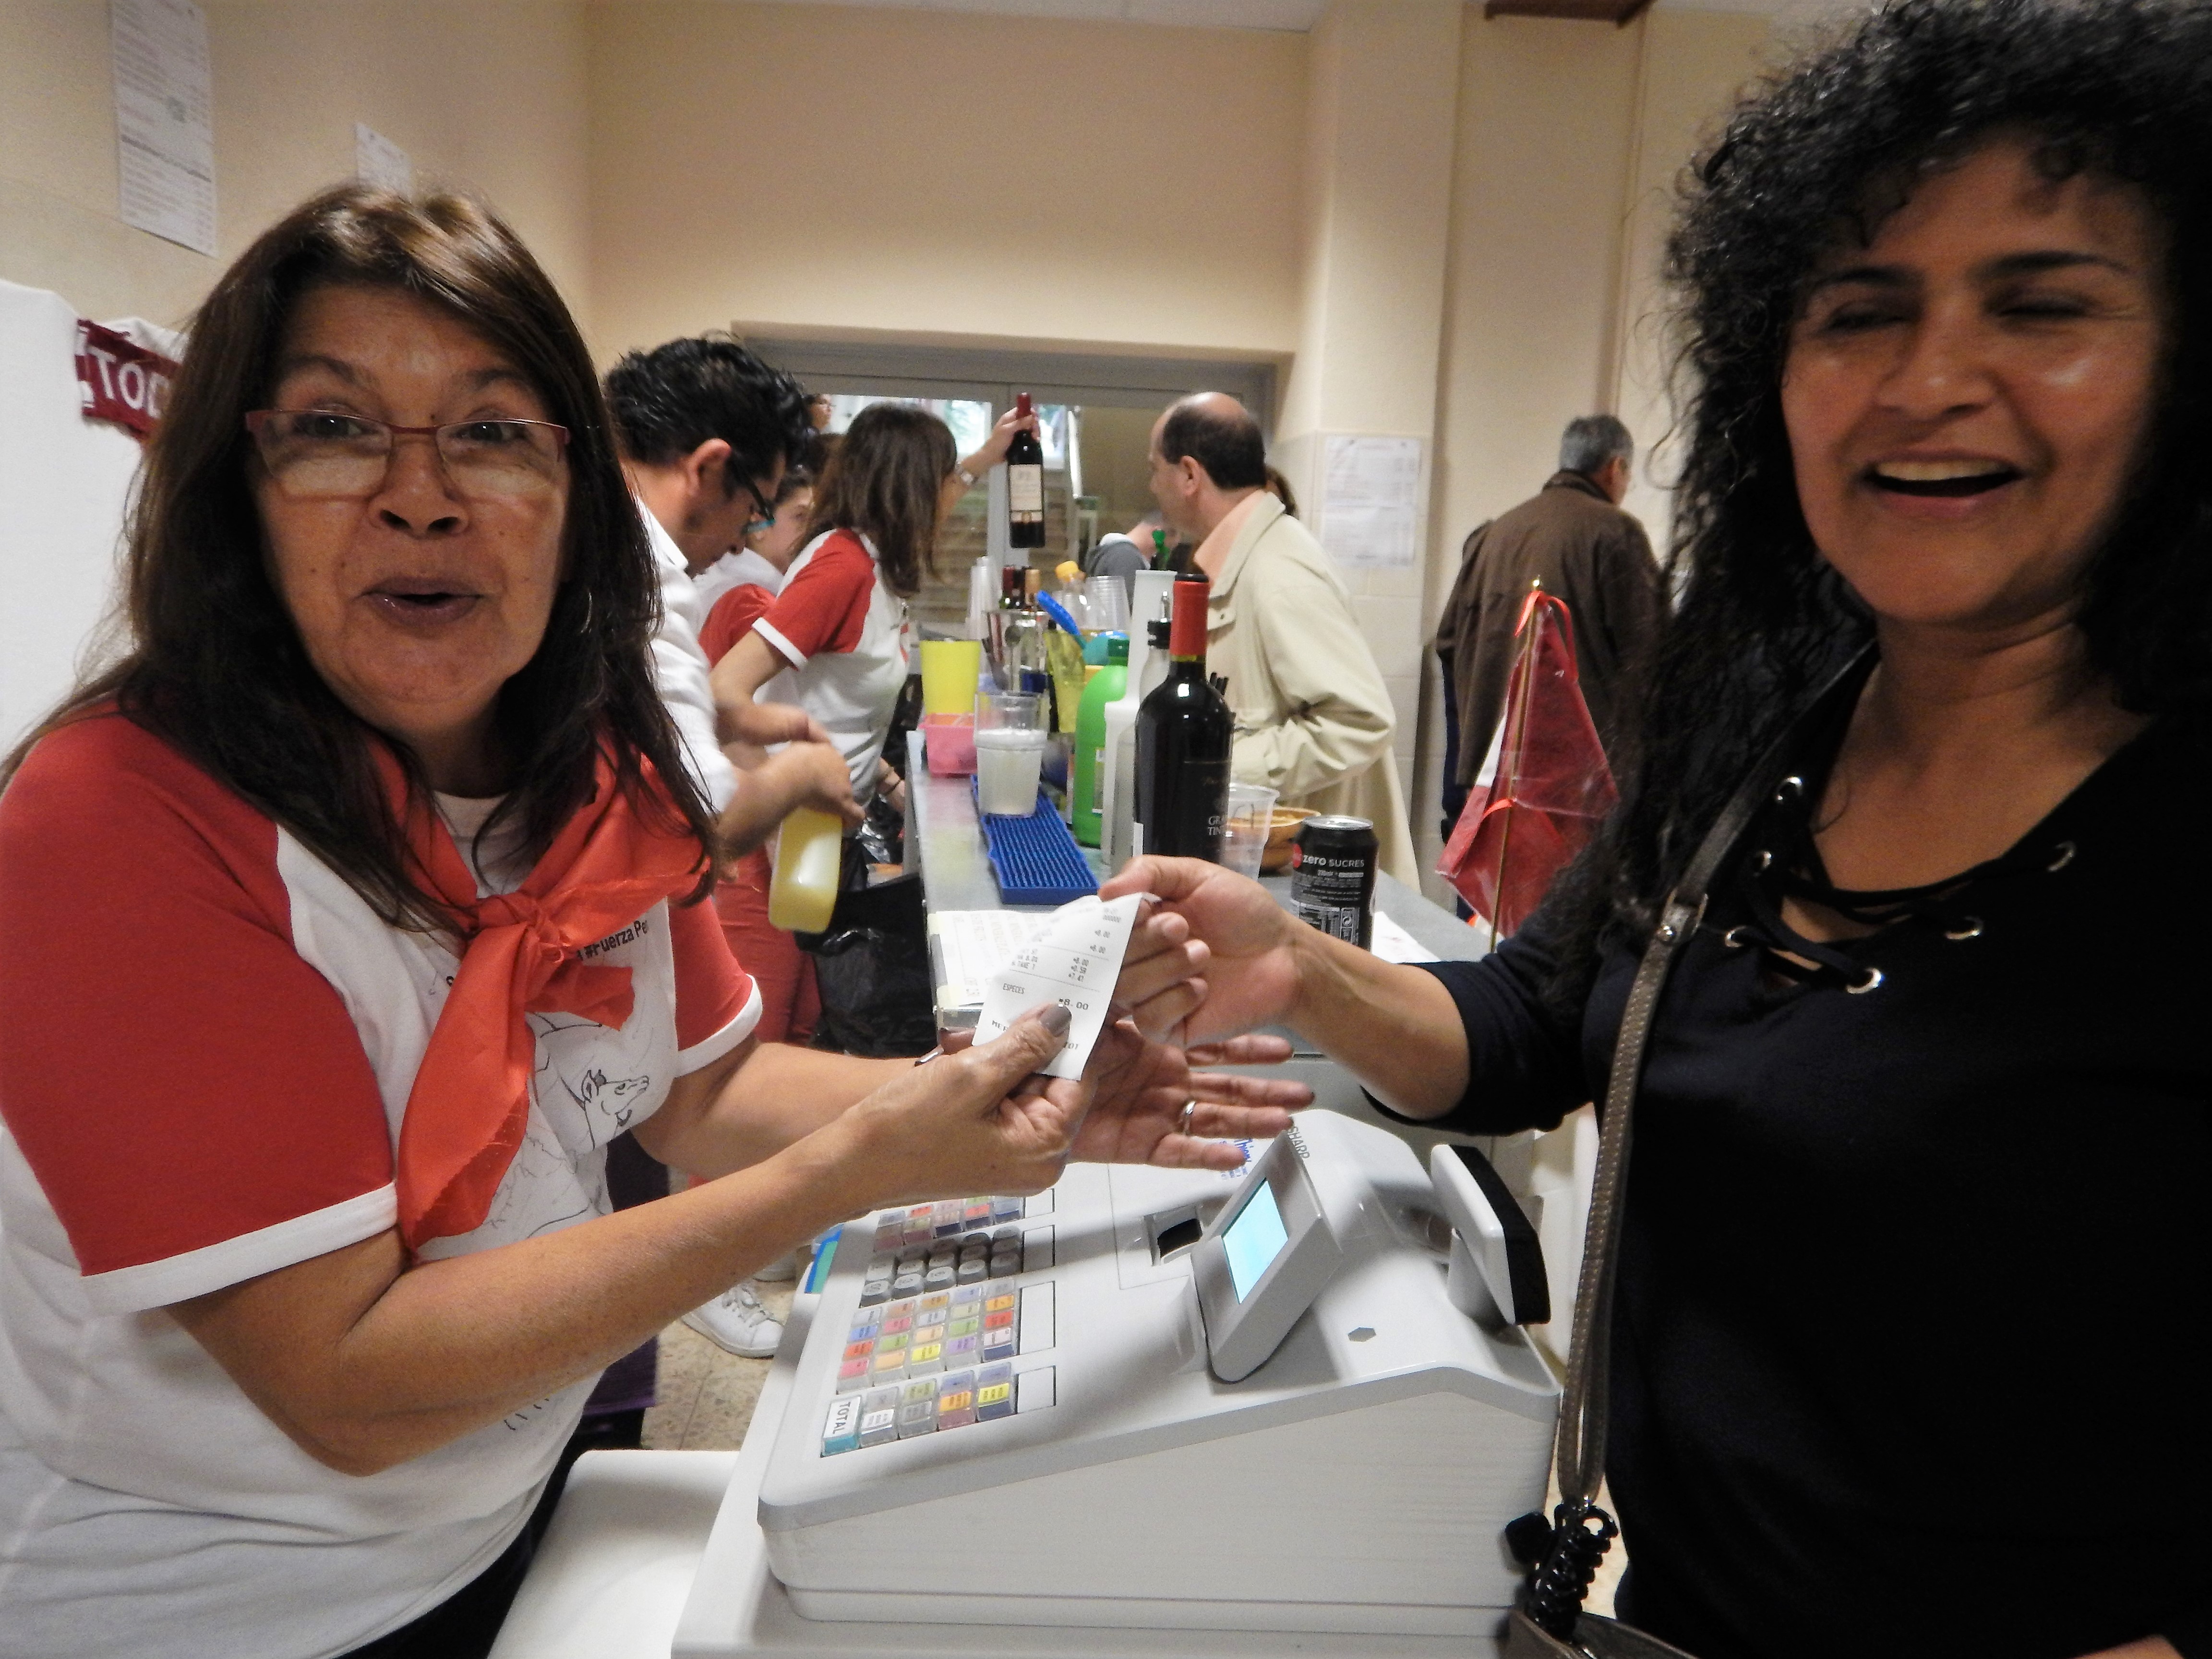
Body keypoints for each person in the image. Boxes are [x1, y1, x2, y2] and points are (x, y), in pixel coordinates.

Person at [0, 185, 1308, 1659]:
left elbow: (707, 1090)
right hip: (232, 1613)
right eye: (336, 427)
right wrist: (851, 1174)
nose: (422, 495)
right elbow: (348, 1382)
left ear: (574, 499)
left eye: (492, 433)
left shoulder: (589, 771)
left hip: (512, 1516)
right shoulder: (121, 825)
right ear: (234, 491)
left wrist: (996, 1097)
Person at [1109, 1, 2212, 1654]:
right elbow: (1529, 1026)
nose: (1926, 382)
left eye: (2041, 305)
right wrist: (1299, 967)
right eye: (1858, 313)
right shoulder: (1758, 737)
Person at [1147, 392, 1418, 884]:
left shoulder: (1280, 571)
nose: (1152, 486)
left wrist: (1212, 770)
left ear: (1188, 475)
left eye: (1155, 470)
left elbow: (1359, 722)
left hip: (1322, 888)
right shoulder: (1243, 560)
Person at [605, 335, 856, 863]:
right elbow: (705, 819)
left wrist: (716, 718)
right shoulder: (642, 574)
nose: (744, 540)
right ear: (709, 469)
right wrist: (807, 772)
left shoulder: (578, 528)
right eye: (756, 507)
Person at [709, 399, 1037, 802]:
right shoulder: (842, 568)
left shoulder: (875, 558)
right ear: (911, 492)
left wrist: (988, 455)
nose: (946, 496)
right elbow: (724, 689)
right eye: (939, 481)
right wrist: (779, 797)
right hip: (800, 824)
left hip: (834, 817)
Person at [1434, 413, 1663, 832]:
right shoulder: (1615, 532)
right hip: (1576, 787)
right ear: (1616, 468)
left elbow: (1448, 643)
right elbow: (1652, 653)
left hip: (1490, 780)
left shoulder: (1495, 534)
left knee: (1498, 876)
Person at [700, 469, 822, 1060]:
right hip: (754, 842)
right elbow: (734, 729)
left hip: (749, 828)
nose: (808, 532)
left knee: (786, 1021)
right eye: (798, 516)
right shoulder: (753, 597)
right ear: (757, 522)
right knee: (760, 1036)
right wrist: (777, 821)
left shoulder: (745, 590)